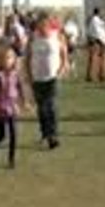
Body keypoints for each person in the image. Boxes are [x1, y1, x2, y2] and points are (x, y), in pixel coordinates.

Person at [25, 13, 69, 148]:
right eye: (40, 25)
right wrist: (29, 75)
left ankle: (53, 136)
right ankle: (44, 133)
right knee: (42, 108)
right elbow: (27, 57)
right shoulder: (33, 38)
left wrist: (61, 69)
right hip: (37, 78)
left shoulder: (57, 36)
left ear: (49, 24)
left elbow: (64, 55)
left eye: (45, 24)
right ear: (37, 25)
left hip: (52, 77)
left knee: (51, 106)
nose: (43, 27)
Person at [0, 44, 26, 168]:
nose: (7, 61)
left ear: (14, 60)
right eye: (4, 58)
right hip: (0, 108)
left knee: (14, 134)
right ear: (0, 60)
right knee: (2, 135)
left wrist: (24, 102)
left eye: (9, 58)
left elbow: (20, 89)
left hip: (12, 107)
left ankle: (11, 160)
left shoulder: (16, 74)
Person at [86, 8, 105, 82]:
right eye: (101, 12)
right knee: (100, 59)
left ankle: (93, 76)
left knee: (94, 59)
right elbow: (100, 32)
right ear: (99, 13)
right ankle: (100, 75)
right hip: (97, 41)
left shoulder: (94, 20)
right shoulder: (96, 20)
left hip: (95, 41)